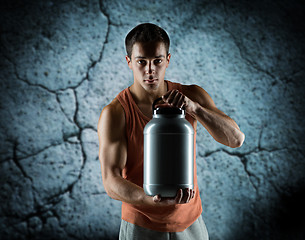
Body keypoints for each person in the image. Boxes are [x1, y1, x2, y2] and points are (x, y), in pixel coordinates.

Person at [97, 23, 245, 239]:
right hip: (141, 225)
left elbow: (236, 139)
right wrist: (151, 200)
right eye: (141, 62)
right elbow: (111, 181)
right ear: (129, 62)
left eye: (157, 61)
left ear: (168, 59)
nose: (150, 70)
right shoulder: (116, 112)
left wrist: (194, 109)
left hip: (190, 222)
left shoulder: (191, 95)